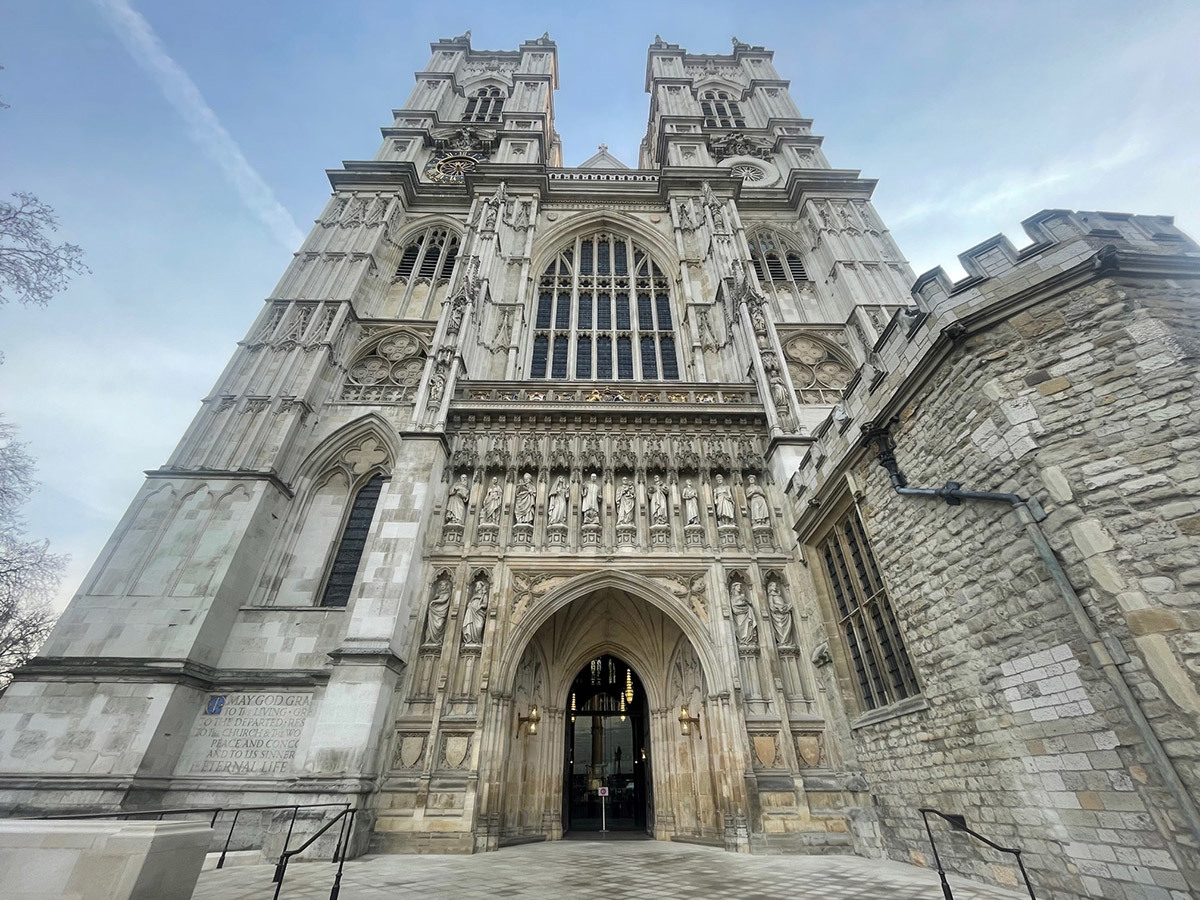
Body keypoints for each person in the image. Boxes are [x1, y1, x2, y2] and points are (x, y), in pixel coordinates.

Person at [768, 581, 795, 648]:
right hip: (778, 615)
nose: (775, 587)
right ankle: (782, 642)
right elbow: (771, 606)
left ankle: (786, 642)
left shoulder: (778, 595)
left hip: (785, 613)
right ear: (770, 587)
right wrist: (779, 608)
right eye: (773, 586)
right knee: (781, 627)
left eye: (776, 586)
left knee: (786, 628)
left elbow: (782, 603)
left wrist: (786, 607)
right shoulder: (771, 595)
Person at [462, 577, 489, 644]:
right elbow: (470, 603)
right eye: (477, 586)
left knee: (479, 626)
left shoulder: (484, 595)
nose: (477, 587)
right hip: (471, 612)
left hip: (479, 613)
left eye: (478, 585)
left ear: (481, 587)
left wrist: (480, 606)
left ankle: (476, 641)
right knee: (470, 625)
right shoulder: (475, 595)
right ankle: (470, 641)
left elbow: (485, 604)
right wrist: (470, 605)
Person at [730, 581, 757, 647]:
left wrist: (745, 599)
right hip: (739, 615)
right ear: (734, 588)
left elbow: (750, 602)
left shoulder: (742, 596)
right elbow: (734, 606)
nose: (739, 588)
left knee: (747, 627)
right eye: (738, 586)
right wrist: (744, 603)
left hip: (746, 614)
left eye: (740, 586)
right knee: (740, 627)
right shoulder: (732, 597)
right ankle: (743, 640)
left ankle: (747, 640)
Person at [424, 578, 451, 643]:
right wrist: (435, 597)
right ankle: (430, 640)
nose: (442, 586)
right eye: (441, 585)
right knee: (431, 625)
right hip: (435, 611)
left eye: (444, 585)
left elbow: (443, 600)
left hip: (441, 611)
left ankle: (438, 640)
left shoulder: (447, 593)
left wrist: (434, 601)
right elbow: (435, 598)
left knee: (439, 624)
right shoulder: (439, 594)